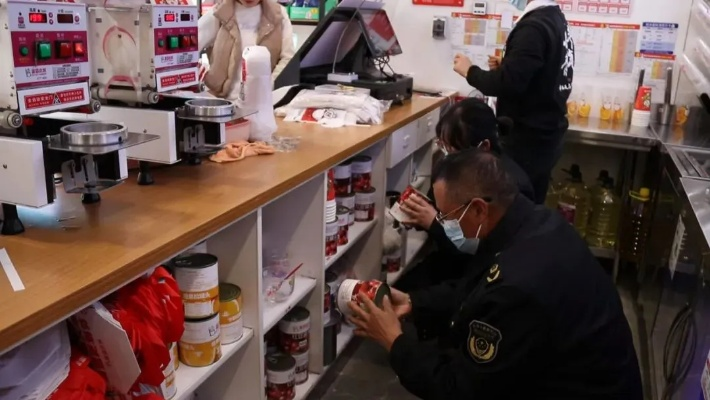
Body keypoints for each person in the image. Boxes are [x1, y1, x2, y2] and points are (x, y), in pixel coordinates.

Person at [350, 149, 643, 399]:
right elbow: (478, 290)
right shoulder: (533, 222)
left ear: (478, 210)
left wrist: (393, 340)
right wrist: (416, 302)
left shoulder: (519, 286)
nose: (442, 223)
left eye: (446, 216)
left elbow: (459, 390)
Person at [394, 98, 533, 292]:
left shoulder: (512, 188)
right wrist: (419, 214)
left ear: (483, 147)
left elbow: (480, 254)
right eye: (444, 148)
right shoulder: (461, 170)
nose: (448, 157)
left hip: (475, 276)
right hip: (450, 260)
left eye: (454, 151)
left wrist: (433, 223)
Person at [452, 0, 575, 205]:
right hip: (547, 135)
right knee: (531, 209)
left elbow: (507, 84)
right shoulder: (555, 19)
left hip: (528, 140)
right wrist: (509, 66)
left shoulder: (533, 26)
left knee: (515, 212)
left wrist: (470, 71)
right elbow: (544, 71)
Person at [198, 0, 295, 99]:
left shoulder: (278, 14)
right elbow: (186, 49)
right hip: (221, 102)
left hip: (262, 102)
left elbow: (288, 59)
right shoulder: (218, 13)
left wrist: (269, 85)